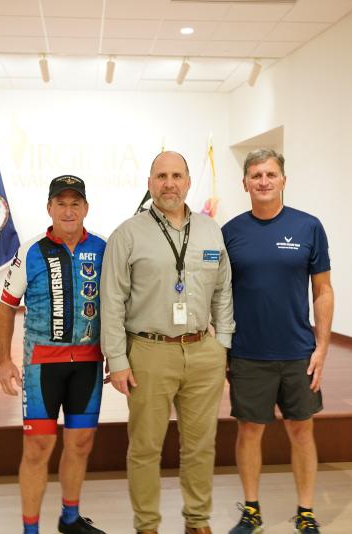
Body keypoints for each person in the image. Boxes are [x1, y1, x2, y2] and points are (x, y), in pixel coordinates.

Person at [100, 151, 235, 534]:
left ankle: (198, 521)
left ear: (189, 181)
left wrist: (221, 343)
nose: (169, 183)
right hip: (148, 352)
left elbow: (223, 289)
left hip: (202, 351)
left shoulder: (211, 230)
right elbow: (111, 300)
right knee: (145, 448)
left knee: (201, 445)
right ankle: (147, 526)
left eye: (177, 175)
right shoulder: (128, 233)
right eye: (161, 176)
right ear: (149, 183)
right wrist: (118, 359)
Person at [222, 149, 334, 534]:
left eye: (270, 174)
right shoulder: (231, 232)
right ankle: (251, 510)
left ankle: (306, 511)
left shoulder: (309, 227)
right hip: (248, 352)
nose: (263, 181)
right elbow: (221, 295)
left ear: (283, 180)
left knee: (301, 430)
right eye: (256, 175)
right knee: (249, 431)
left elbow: (323, 291)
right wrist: (222, 350)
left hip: (298, 353)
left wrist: (321, 348)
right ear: (245, 183)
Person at [0, 175, 107, 534]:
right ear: (49, 208)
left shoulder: (104, 249)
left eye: (76, 203)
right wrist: (4, 361)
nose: (69, 210)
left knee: (81, 442)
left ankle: (70, 519)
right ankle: (31, 530)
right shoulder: (30, 250)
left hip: (88, 365)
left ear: (86, 208)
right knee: (37, 448)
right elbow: (5, 307)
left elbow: (120, 305)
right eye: (61, 203)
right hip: (41, 366)